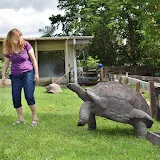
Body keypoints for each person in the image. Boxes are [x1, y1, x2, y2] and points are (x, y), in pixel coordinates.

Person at [1, 28, 39, 127]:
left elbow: (33, 59)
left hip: (28, 73)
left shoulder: (26, 45)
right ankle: (21, 119)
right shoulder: (8, 48)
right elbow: (5, 64)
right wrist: (3, 76)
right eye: (16, 38)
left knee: (29, 95)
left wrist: (36, 74)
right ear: (10, 38)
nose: (18, 40)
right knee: (16, 97)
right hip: (15, 75)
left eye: (19, 37)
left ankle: (35, 118)